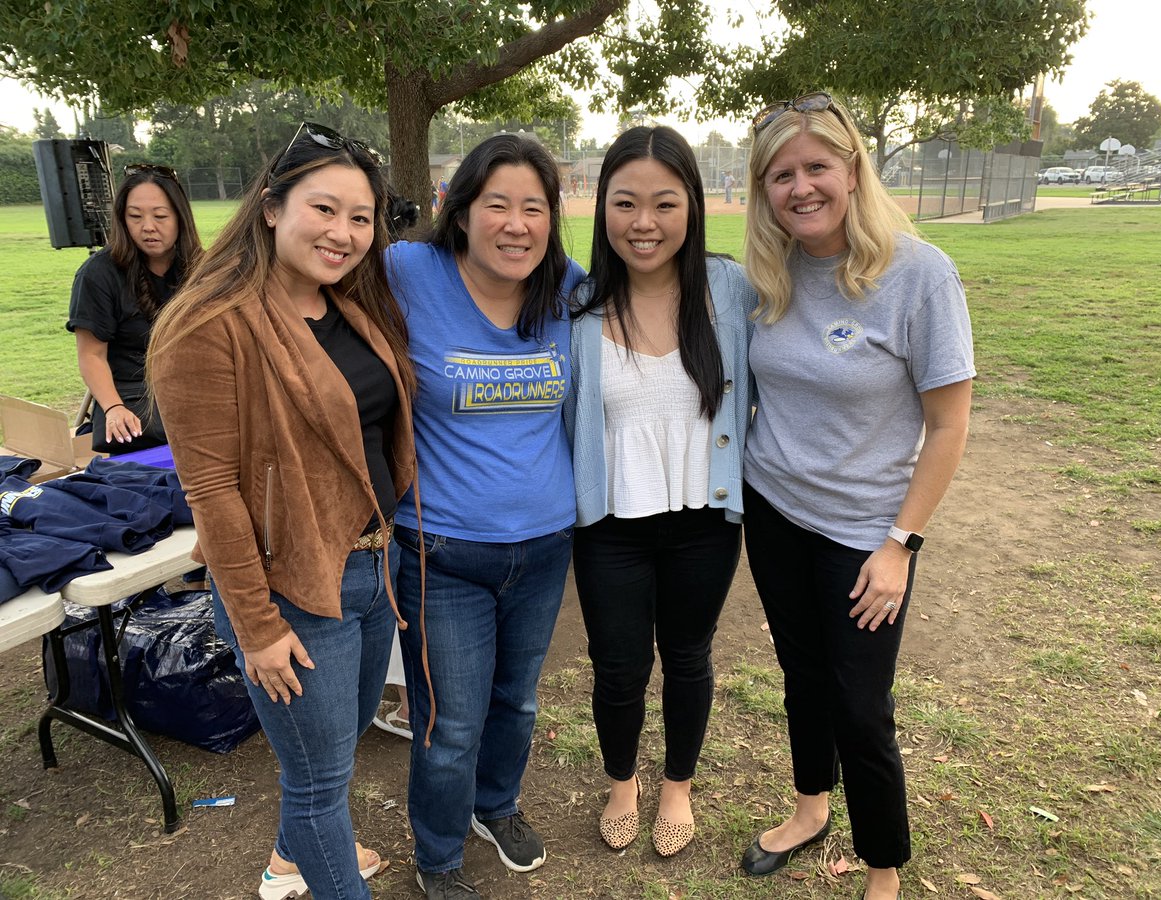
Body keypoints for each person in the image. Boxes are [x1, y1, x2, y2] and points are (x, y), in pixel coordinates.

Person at [148, 123, 417, 900]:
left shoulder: (352, 309)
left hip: (373, 567)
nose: (343, 233)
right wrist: (259, 626)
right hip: (292, 591)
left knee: (328, 757)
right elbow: (213, 494)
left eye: (361, 218)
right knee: (320, 780)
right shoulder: (209, 325)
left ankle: (286, 862)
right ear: (270, 208)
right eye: (324, 209)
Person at [737, 93, 974, 900]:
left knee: (860, 702)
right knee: (800, 672)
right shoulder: (769, 275)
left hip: (866, 534)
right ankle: (808, 810)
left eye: (816, 168)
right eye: (780, 175)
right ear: (763, 188)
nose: (800, 188)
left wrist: (898, 544)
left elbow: (947, 425)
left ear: (851, 171)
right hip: (773, 511)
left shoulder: (919, 275)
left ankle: (882, 868)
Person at [385, 134, 585, 900]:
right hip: (442, 551)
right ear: (459, 211)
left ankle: (494, 805)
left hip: (544, 545)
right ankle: (437, 856)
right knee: (450, 720)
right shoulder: (409, 271)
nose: (516, 223)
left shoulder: (568, 287)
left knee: (519, 699)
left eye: (534, 207)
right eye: (496, 204)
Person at [564, 126, 755, 858]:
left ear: (693, 207)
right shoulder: (578, 304)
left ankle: (676, 784)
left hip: (705, 519)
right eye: (626, 203)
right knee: (617, 666)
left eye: (664, 204)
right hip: (609, 523)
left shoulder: (729, 288)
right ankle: (622, 783)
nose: (644, 223)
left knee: (688, 656)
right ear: (602, 207)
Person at [66, 164, 202, 454]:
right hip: (132, 398)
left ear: (180, 217)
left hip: (196, 392)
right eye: (135, 217)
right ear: (122, 220)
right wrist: (114, 407)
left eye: (160, 216)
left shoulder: (203, 269)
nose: (148, 227)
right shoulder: (98, 274)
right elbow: (91, 354)